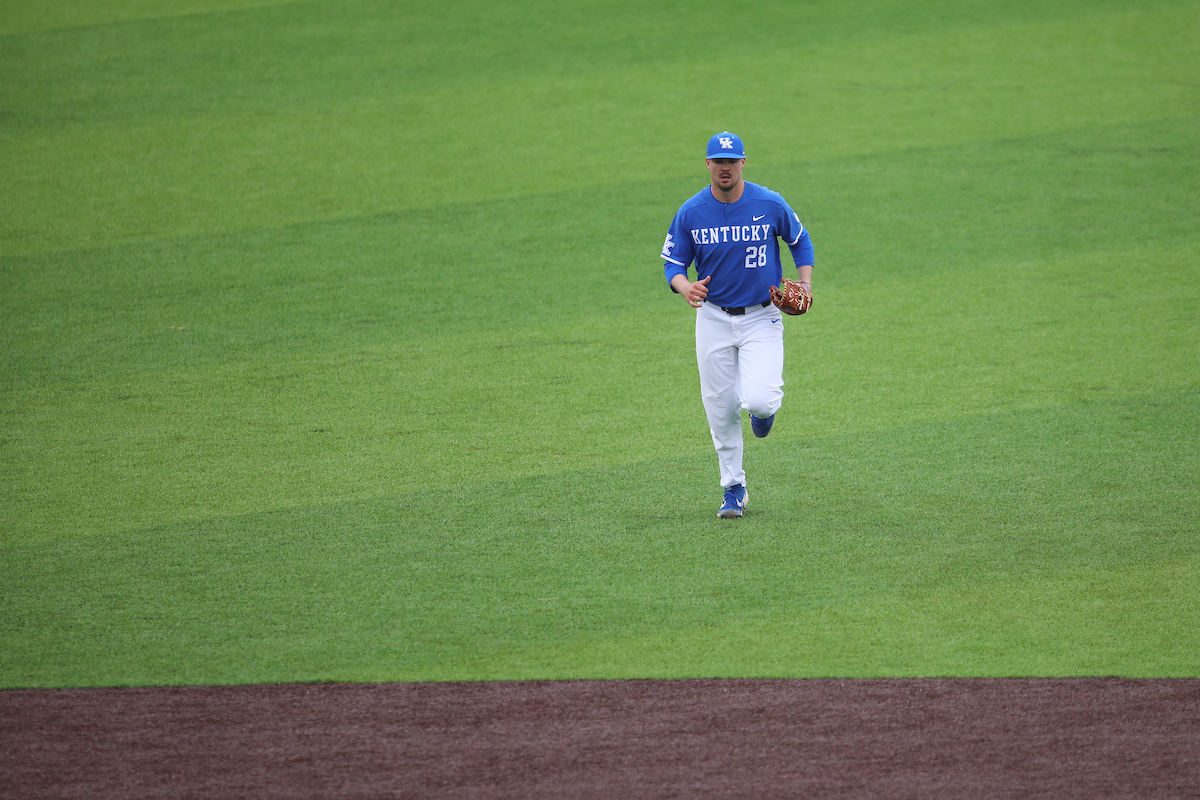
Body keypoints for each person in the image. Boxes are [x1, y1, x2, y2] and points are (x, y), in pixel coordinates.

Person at [659, 132, 814, 518]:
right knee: (720, 408)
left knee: (760, 400)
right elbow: (672, 263)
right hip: (712, 318)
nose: (725, 168)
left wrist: (805, 284)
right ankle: (734, 489)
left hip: (762, 315)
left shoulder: (768, 202)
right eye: (718, 161)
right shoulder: (691, 212)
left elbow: (800, 240)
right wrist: (684, 287)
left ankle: (762, 416)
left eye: (732, 161)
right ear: (708, 164)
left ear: (743, 162)